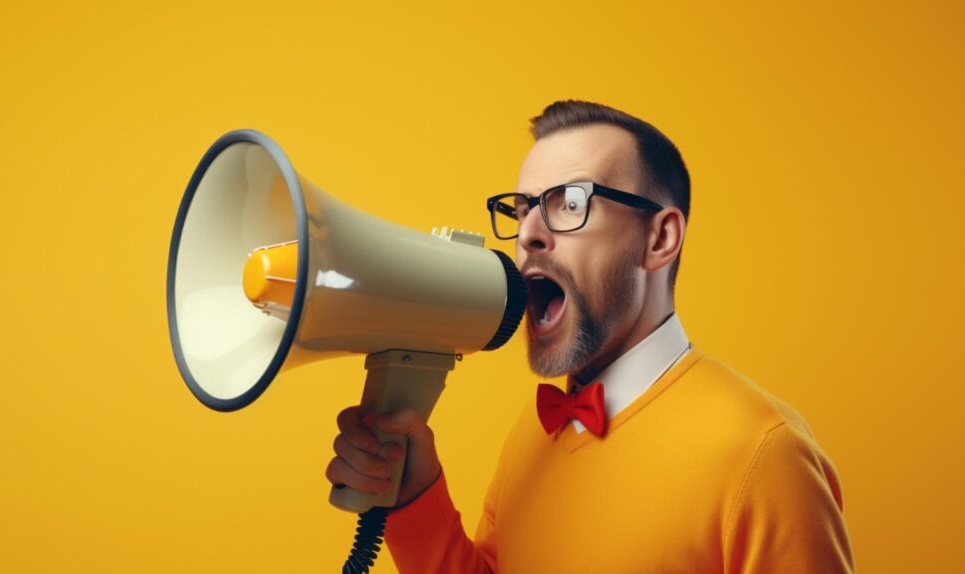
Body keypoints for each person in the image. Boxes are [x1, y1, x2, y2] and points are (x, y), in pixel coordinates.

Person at [325, 100, 855, 573]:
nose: (530, 232)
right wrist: (414, 496)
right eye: (524, 206)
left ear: (660, 238)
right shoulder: (533, 433)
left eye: (570, 203)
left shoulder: (763, 458)